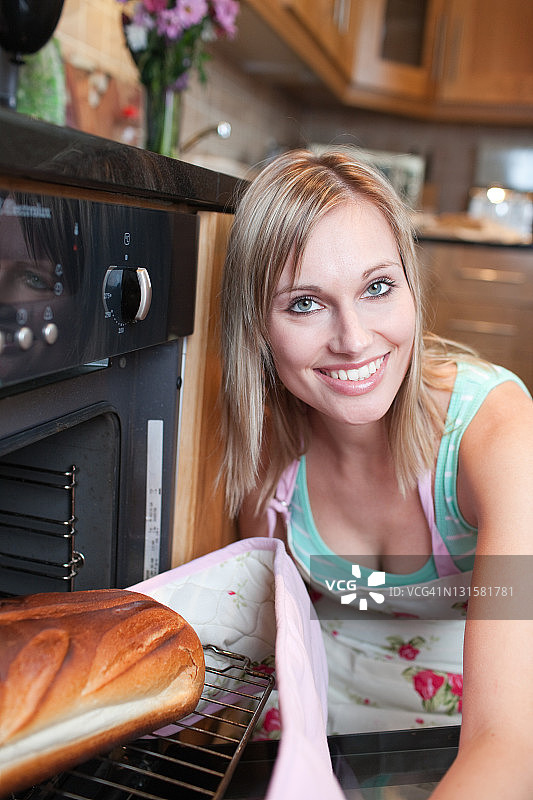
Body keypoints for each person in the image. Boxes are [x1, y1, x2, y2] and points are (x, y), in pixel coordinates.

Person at [219, 148, 533, 797]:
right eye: (305, 303)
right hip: (333, 693)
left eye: (377, 287)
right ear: (257, 327)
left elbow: (507, 739)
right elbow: (286, 634)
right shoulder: (266, 460)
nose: (355, 339)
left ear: (411, 289)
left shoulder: (497, 432)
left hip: (490, 696)